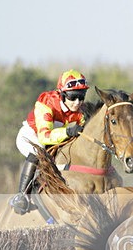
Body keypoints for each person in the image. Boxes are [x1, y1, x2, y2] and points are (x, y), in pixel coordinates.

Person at [11, 69, 89, 214]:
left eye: (81, 96)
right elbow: (44, 136)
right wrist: (68, 131)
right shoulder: (46, 103)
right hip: (31, 136)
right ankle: (21, 196)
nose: (77, 102)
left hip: (53, 141)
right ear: (62, 94)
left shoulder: (80, 110)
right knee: (38, 151)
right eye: (73, 97)